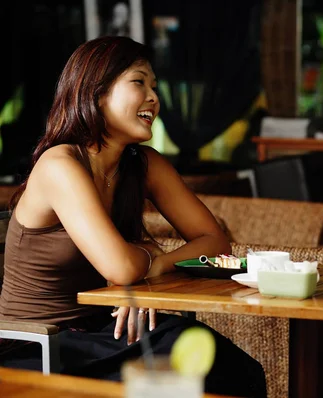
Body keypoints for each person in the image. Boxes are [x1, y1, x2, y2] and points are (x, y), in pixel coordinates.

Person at [0, 36, 267, 397]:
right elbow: (120, 269)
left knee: (231, 368)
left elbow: (216, 242)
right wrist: (144, 253)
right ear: (95, 93)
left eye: (154, 86)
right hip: (38, 347)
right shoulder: (60, 165)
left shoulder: (144, 164)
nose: (154, 98)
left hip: (102, 332)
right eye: (138, 82)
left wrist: (158, 265)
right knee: (197, 367)